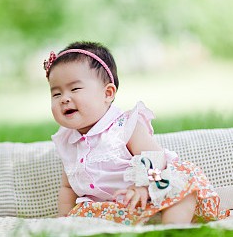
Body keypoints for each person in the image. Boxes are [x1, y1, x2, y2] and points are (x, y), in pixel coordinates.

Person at [43, 41, 229, 225]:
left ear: (107, 93)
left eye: (75, 89)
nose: (64, 99)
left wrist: (142, 187)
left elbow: (154, 156)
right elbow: (68, 187)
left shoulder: (124, 126)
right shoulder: (66, 141)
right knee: (82, 216)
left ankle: (173, 228)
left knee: (181, 185)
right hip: (113, 211)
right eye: (56, 94)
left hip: (152, 193)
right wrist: (62, 223)